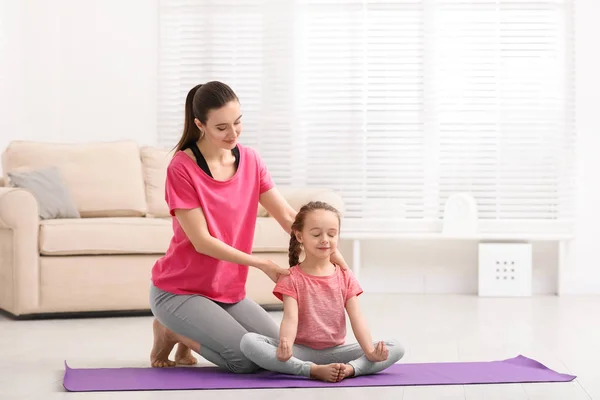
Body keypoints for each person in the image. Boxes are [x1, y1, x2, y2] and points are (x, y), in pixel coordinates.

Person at [148, 81, 349, 372]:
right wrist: (261, 263)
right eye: (221, 128)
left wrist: (329, 251)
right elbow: (202, 242)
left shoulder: (251, 160)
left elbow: (285, 213)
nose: (233, 134)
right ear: (199, 124)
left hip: (227, 291)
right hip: (179, 290)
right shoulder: (181, 168)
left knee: (279, 351)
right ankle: (173, 330)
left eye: (238, 123)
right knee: (245, 361)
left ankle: (190, 330)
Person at [239, 201, 404, 382]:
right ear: (300, 236)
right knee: (248, 342)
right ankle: (311, 370)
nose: (325, 239)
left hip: (338, 353)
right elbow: (290, 318)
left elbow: (357, 318)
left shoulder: (344, 276)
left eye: (332, 234)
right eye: (316, 234)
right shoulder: (291, 277)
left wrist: (370, 353)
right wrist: (286, 345)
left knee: (396, 347)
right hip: (300, 351)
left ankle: (349, 370)